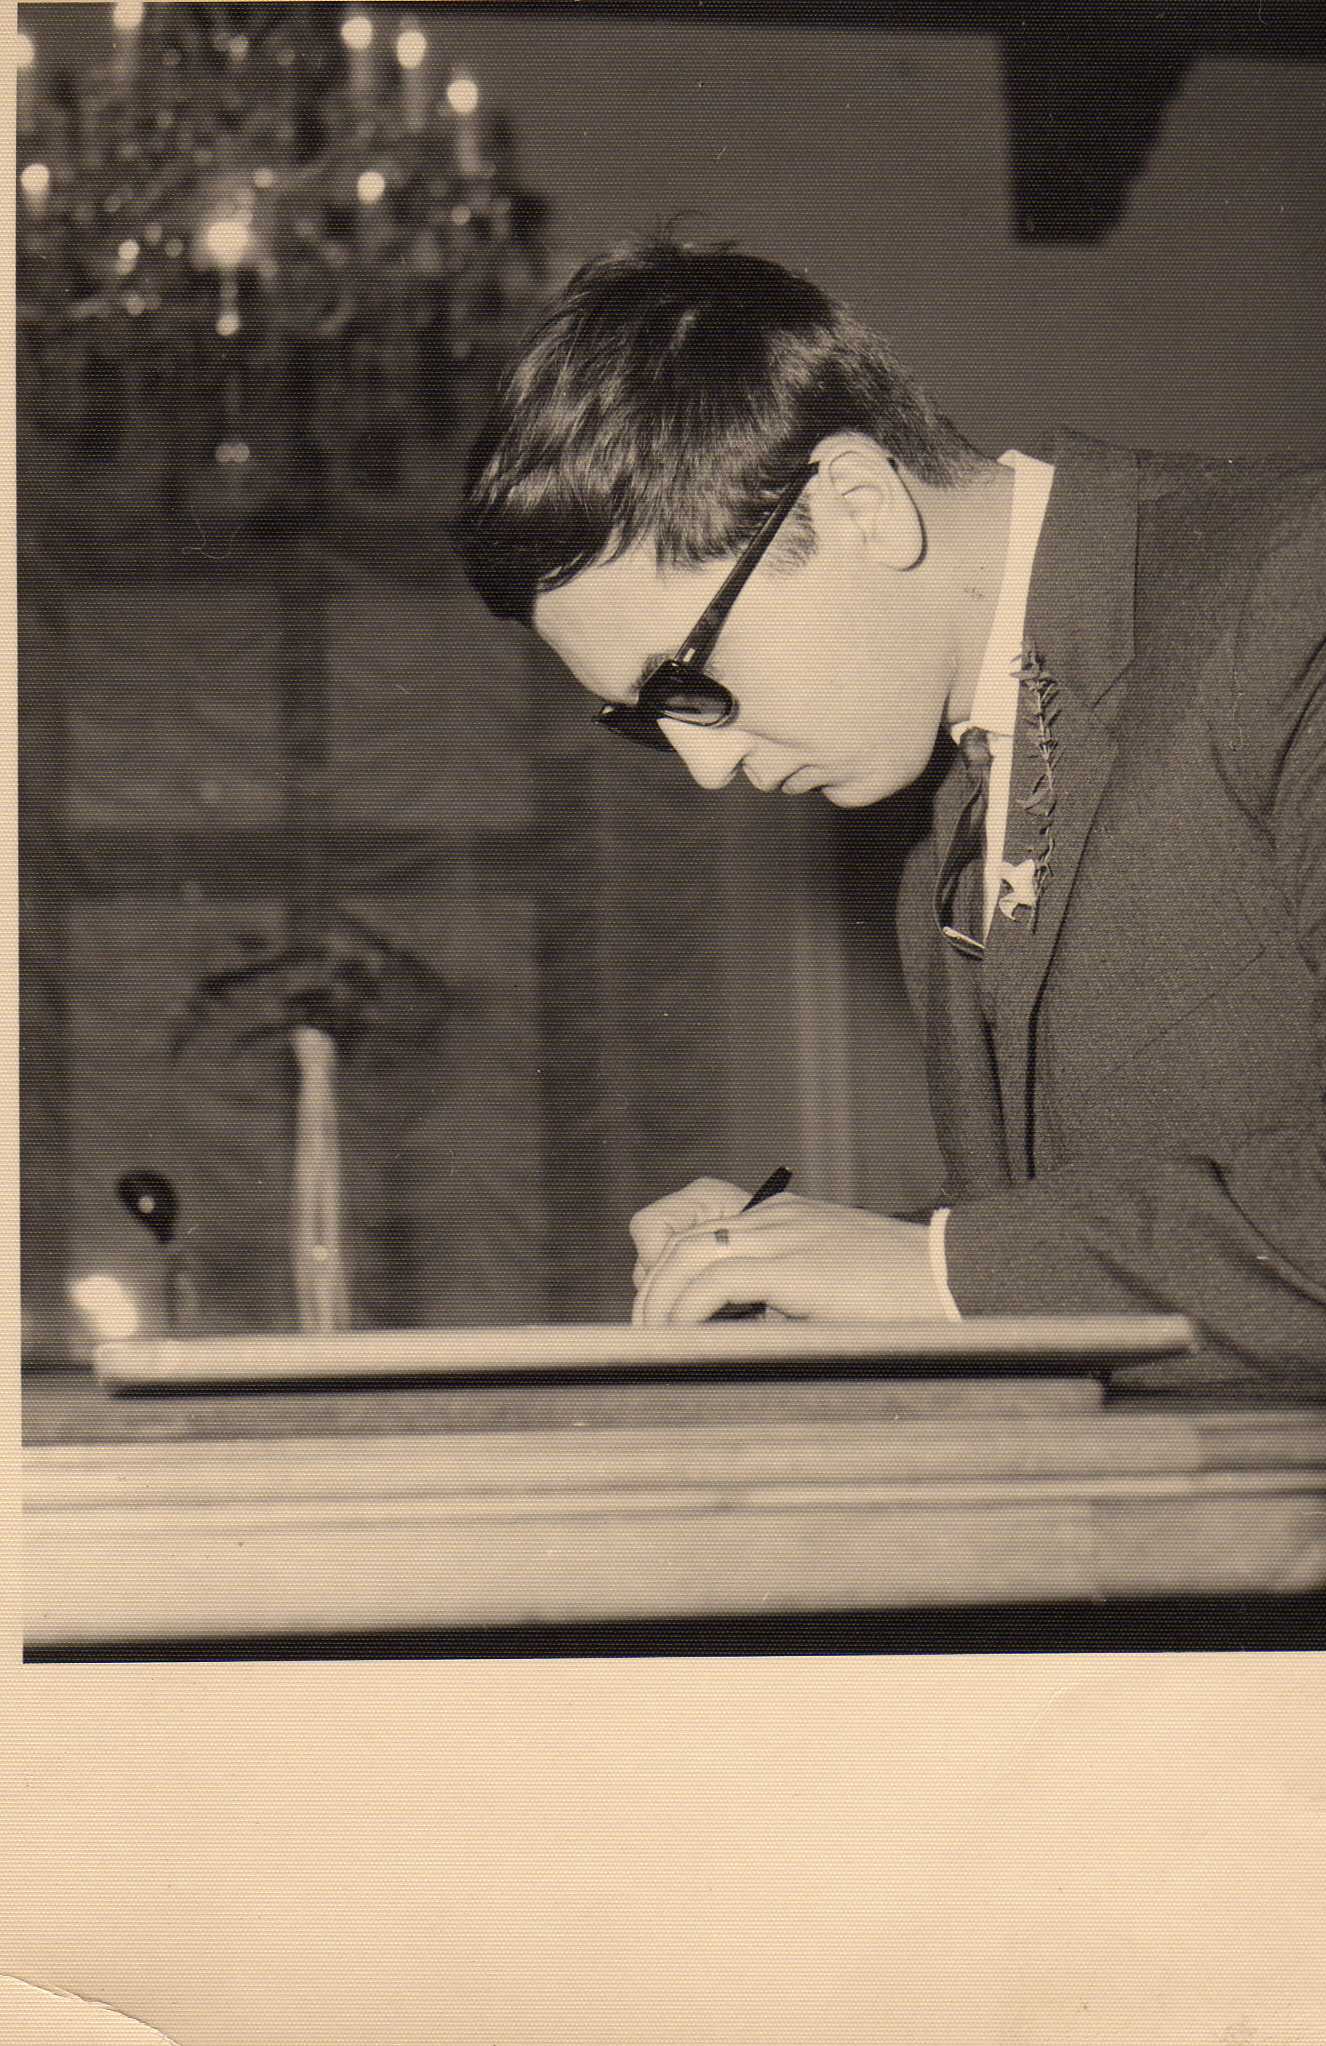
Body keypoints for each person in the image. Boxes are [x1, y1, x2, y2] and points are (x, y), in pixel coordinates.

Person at [455, 236, 1326, 1382]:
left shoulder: (1295, 596)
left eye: (689, 684)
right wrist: (835, 1279)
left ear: (859, 505)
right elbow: (1104, 1223)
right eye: (645, 720)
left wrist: (936, 1274)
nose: (704, 769)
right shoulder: (945, 797)